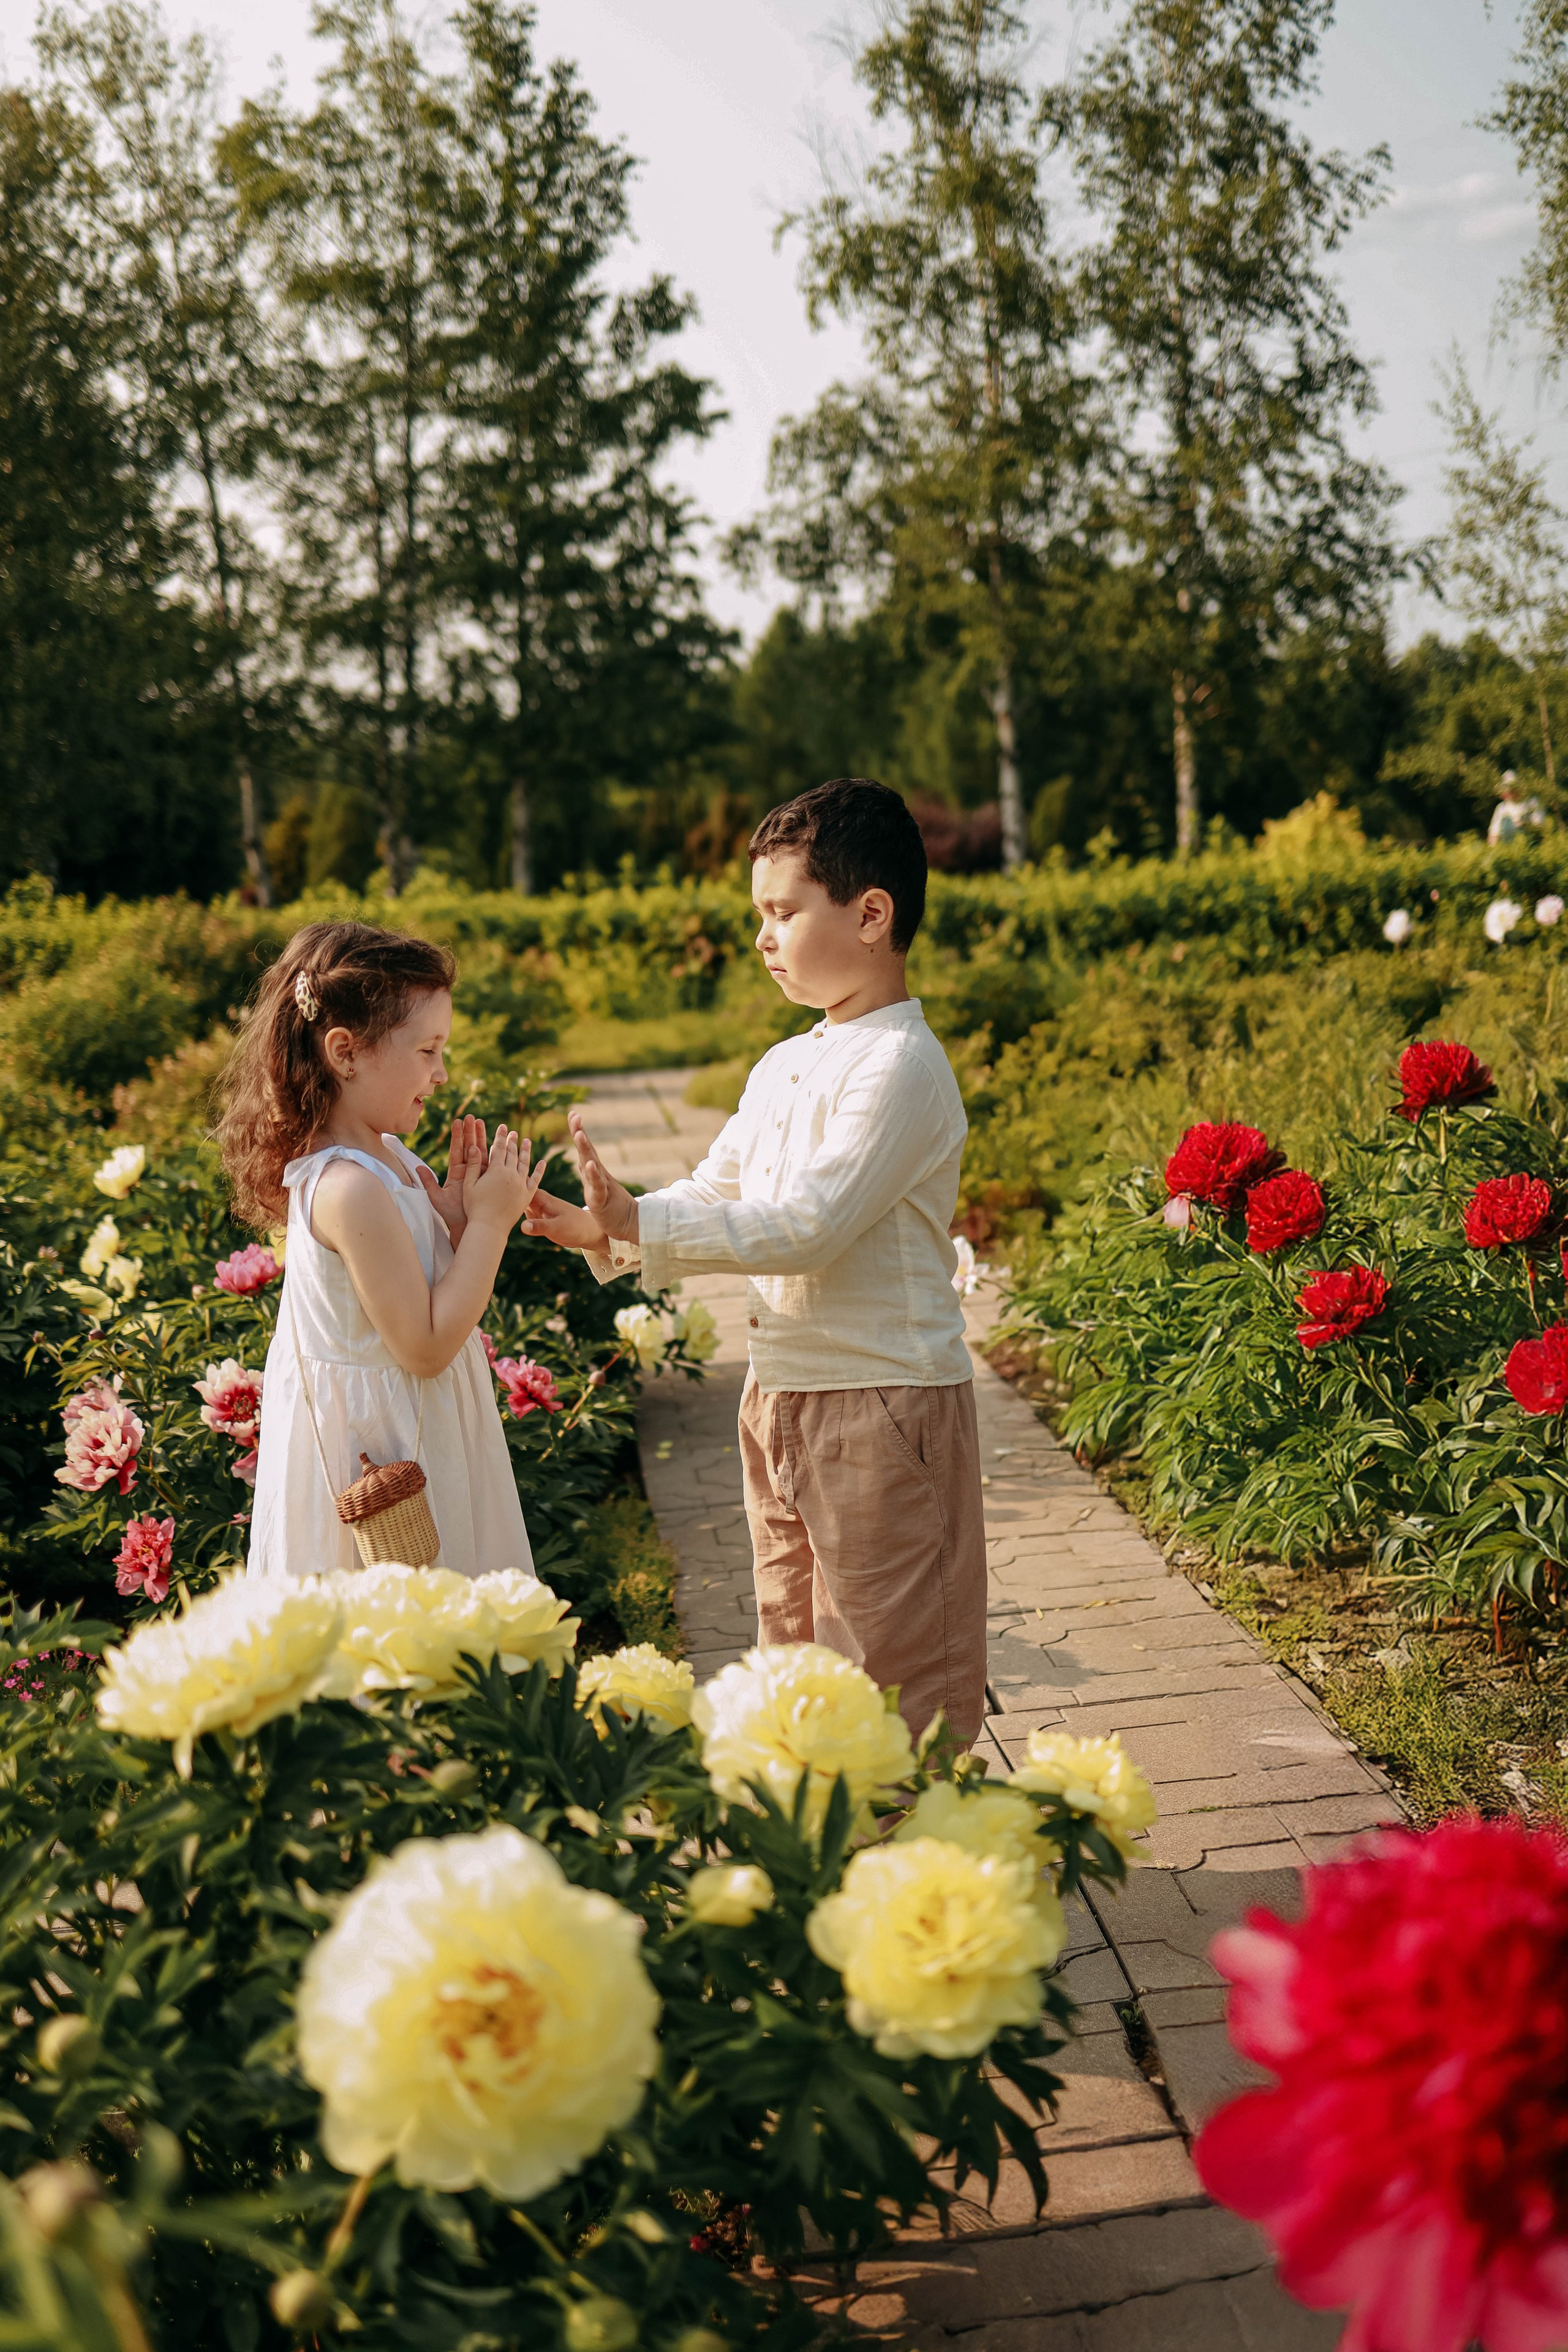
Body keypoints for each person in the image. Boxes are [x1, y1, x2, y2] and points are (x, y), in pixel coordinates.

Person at [524, 777, 987, 1748]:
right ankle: (824, 1868)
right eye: (758, 915)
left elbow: (809, 1224)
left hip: (883, 1403)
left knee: (893, 1679)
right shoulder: (785, 1064)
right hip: (779, 1400)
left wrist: (647, 1231)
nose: (764, 937)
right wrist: (614, 1219)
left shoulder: (901, 1065)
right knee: (798, 1664)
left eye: (783, 911)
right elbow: (717, 1191)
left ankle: (917, 1875)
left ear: (872, 915)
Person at [217, 919, 541, 1581]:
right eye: (427, 1051)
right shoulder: (346, 1188)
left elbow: (413, 1297)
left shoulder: (389, 1158)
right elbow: (423, 1347)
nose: (442, 1073)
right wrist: (490, 1226)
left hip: (418, 1432)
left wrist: (451, 1231)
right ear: (346, 1052)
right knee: (401, 1631)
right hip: (384, 1456)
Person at [1488, 771, 1544, 845]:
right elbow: (1494, 834)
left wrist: (1523, 825)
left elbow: (1539, 827)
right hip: (1509, 848)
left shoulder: (1532, 802)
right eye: (1508, 789)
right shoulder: (1501, 808)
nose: (1510, 791)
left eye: (1513, 787)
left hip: (1530, 844)